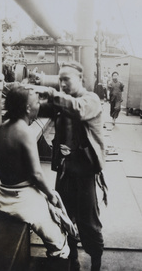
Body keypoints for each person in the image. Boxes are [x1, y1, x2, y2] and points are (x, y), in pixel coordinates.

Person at [37, 60, 107, 271]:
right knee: (64, 215)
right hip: (65, 170)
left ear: (81, 79)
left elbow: (77, 110)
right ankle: (73, 258)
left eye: (66, 79)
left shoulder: (90, 99)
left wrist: (50, 92)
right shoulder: (60, 104)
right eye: (60, 80)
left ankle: (96, 262)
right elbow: (35, 107)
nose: (62, 84)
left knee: (88, 221)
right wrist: (16, 91)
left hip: (84, 171)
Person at [0, 85, 70, 260]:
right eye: (37, 101)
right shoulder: (24, 131)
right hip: (22, 203)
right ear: (27, 108)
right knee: (61, 246)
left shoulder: (2, 128)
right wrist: (51, 194)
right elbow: (36, 175)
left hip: (3, 198)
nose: (40, 104)